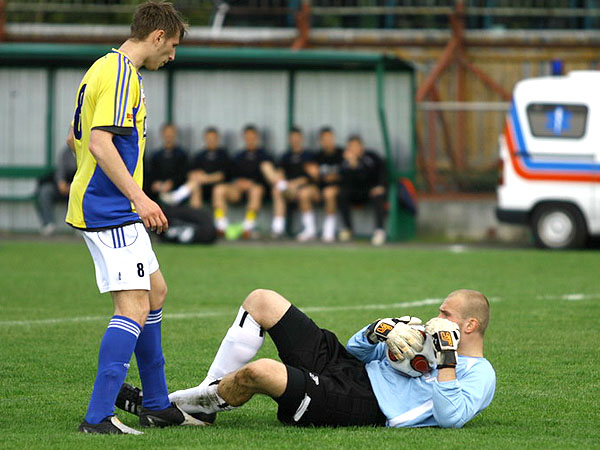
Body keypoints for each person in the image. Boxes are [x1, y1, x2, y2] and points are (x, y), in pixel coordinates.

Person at [65, 1, 207, 434]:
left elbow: (79, 135)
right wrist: (139, 198)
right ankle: (98, 417)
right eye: (174, 45)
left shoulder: (103, 68)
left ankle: (158, 404)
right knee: (133, 306)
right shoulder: (123, 74)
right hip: (110, 210)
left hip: (110, 205)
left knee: (156, 292)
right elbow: (100, 144)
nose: (174, 55)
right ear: (158, 36)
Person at [118, 288, 495, 428]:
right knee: (262, 300)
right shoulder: (425, 339)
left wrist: (447, 358)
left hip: (363, 404)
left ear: (470, 324)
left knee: (261, 372)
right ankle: (202, 402)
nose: (437, 317)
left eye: (446, 314)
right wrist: (378, 331)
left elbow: (450, 418)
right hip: (349, 368)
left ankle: (167, 405)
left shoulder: (480, 374)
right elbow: (357, 350)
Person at [212, 125, 279, 238]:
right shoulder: (238, 156)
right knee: (218, 189)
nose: (250, 140)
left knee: (256, 190)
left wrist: (251, 183)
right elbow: (229, 175)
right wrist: (237, 182)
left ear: (257, 137)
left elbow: (268, 178)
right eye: (247, 137)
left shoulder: (265, 155)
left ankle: (248, 227)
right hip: (238, 190)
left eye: (252, 137)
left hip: (256, 190)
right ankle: (221, 226)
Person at [162, 126, 230, 209]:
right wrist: (196, 175)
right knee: (194, 186)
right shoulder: (200, 156)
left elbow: (223, 175)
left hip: (220, 188)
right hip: (202, 188)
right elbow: (190, 173)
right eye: (209, 138)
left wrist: (205, 178)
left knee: (218, 190)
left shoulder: (223, 155)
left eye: (213, 138)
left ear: (218, 138)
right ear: (205, 139)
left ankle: (220, 220)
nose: (211, 140)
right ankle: (196, 218)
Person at [271, 127, 319, 241]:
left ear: (301, 138)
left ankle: (310, 229)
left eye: (297, 137)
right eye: (292, 138)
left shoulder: (308, 155)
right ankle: (278, 228)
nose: (295, 140)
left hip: (309, 189)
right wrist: (283, 182)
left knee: (304, 193)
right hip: (291, 190)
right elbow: (280, 173)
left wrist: (296, 183)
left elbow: (313, 176)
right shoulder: (285, 156)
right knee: (277, 190)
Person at [338, 135, 388, 246]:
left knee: (378, 196)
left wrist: (381, 186)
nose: (353, 149)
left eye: (356, 146)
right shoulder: (345, 161)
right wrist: (351, 165)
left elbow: (377, 173)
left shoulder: (371, 157)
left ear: (361, 147)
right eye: (351, 147)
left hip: (370, 191)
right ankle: (347, 228)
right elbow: (344, 181)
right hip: (355, 193)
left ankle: (379, 231)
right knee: (342, 194)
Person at [35, 146, 77, 236]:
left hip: (78, 188)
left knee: (83, 195)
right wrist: (61, 183)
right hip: (63, 187)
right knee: (45, 191)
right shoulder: (66, 152)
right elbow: (60, 171)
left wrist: (73, 188)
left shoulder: (87, 151)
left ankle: (80, 225)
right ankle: (48, 224)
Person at [145, 123, 189, 204]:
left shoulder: (182, 155)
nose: (169, 135)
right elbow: (150, 173)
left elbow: (184, 174)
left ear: (175, 134)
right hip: (157, 191)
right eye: (166, 133)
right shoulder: (155, 155)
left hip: (176, 189)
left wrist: (171, 183)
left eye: (171, 133)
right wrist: (155, 184)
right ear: (162, 134)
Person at [314, 126, 344, 242]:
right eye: (324, 139)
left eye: (329, 138)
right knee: (305, 194)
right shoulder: (317, 156)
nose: (327, 141)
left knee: (329, 193)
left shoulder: (342, 154)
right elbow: (313, 176)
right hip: (320, 188)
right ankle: (310, 229)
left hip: (338, 189)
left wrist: (334, 178)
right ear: (320, 141)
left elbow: (346, 175)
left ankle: (329, 228)